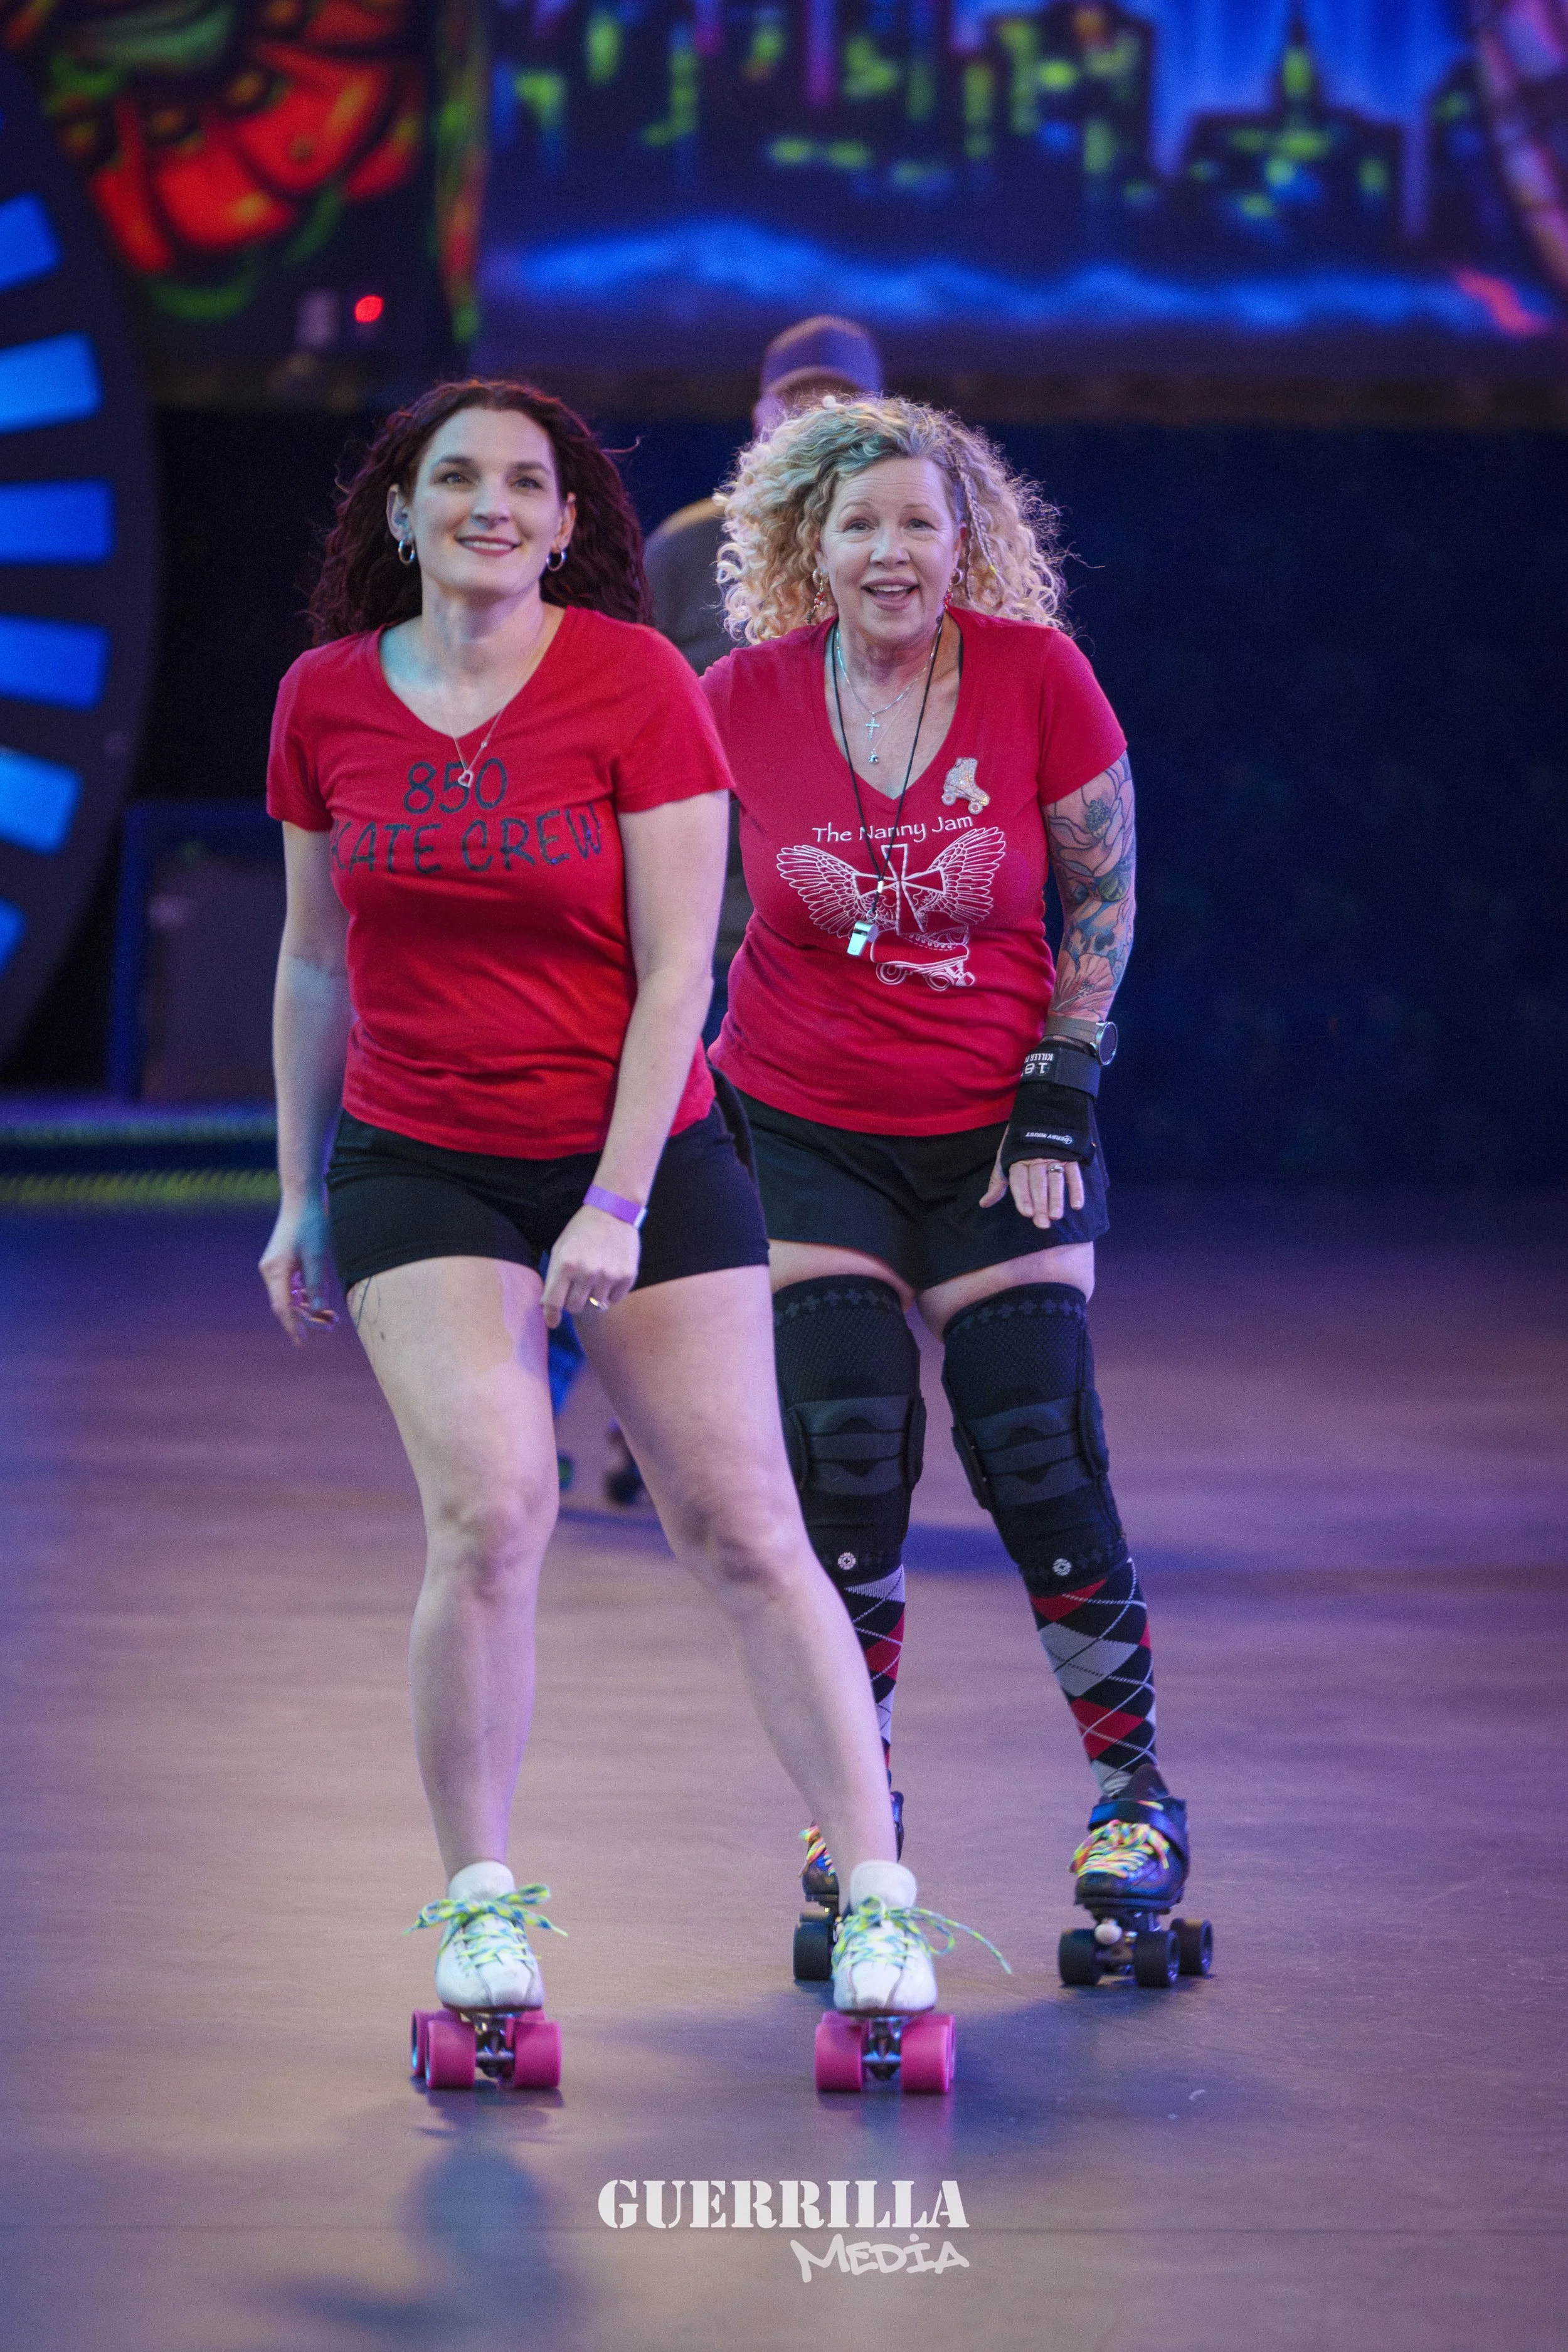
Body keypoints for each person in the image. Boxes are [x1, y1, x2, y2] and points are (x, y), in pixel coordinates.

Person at [258, 376, 970, 2043]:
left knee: (740, 1519)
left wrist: (619, 1197)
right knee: (493, 1508)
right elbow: (309, 958)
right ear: (401, 512)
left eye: (524, 482)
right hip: (415, 1156)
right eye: (454, 480)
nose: (488, 505)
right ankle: (483, 1909)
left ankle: (875, 1895)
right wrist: (297, 1192)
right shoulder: (322, 699)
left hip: (635, 1144)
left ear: (569, 524)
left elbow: (678, 969)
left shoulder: (636, 679)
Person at [701, 395, 1194, 1942]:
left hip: (996, 1122)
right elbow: (685, 910)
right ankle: (863, 1816)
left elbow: (1103, 899)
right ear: (808, 548)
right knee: (844, 1448)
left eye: (920, 521)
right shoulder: (740, 694)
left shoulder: (1040, 677)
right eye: (859, 525)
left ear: (964, 537)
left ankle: (1133, 1797)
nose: (892, 550)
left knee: (1034, 1433)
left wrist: (1061, 1083)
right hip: (801, 1116)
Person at [645, 314, 884, 680]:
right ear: (762, 419)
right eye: (799, 408)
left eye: (842, 410)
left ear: (885, 426)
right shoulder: (683, 546)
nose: (817, 429)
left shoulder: (908, 548)